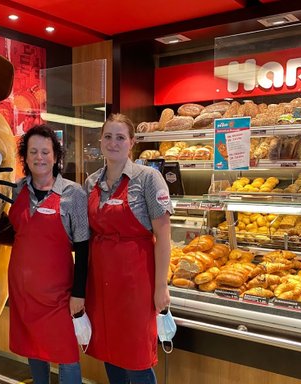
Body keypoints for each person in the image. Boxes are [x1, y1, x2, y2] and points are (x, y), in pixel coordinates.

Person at [84, 113, 173, 384]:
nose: (113, 143)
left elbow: (163, 235)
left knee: (136, 356)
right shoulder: (91, 183)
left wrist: (161, 286)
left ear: (131, 142)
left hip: (136, 282)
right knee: (110, 350)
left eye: (120, 137)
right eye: (108, 136)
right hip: (101, 281)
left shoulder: (149, 179)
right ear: (101, 140)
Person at [7, 124, 89, 384]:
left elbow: (84, 247)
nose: (39, 157)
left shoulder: (72, 194)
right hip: (23, 291)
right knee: (34, 348)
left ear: (55, 156)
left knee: (66, 355)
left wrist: (79, 293)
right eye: (33, 152)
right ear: (25, 157)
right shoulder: (18, 190)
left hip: (58, 295)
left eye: (45, 151)